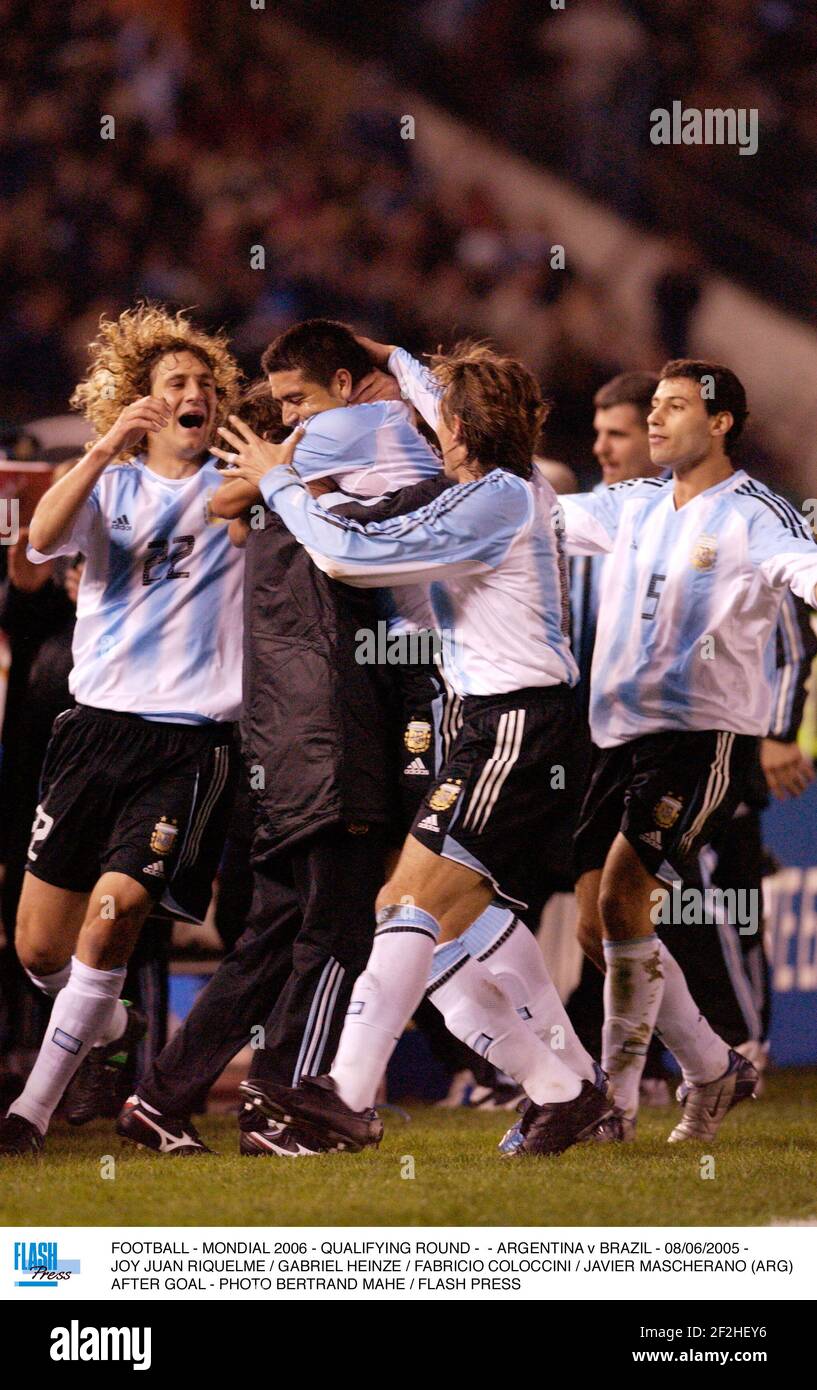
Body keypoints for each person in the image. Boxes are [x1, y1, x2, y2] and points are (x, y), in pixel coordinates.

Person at [217, 337, 613, 1158]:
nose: (431, 432)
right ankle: (561, 1089)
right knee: (436, 932)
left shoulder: (494, 500)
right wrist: (392, 354)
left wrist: (278, 480)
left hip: (513, 725)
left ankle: (348, 1096)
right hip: (492, 722)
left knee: (407, 911)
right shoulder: (506, 479)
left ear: (462, 432)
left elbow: (347, 554)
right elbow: (439, 398)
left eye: (444, 424)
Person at [116, 323, 445, 1158]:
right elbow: (448, 444)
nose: (312, 422)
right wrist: (385, 380)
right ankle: (281, 1102)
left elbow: (238, 504)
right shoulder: (327, 478)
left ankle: (160, 1096)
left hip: (281, 736)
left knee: (272, 936)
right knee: (334, 931)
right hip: (329, 732)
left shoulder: (281, 497)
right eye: (294, 410)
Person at [0, 305, 244, 1156]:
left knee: (116, 912)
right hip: (93, 734)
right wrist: (103, 447)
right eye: (175, 383)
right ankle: (103, 1028)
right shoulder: (107, 482)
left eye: (206, 384)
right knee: (36, 946)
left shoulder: (235, 489)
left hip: (189, 742)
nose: (195, 395)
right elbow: (36, 542)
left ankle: (28, 1112)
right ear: (141, 399)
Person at [561, 359, 817, 1142]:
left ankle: (615, 1101)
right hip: (614, 738)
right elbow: (530, 515)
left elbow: (799, 572)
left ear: (720, 423)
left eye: (673, 407)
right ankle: (710, 1066)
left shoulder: (755, 514)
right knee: (593, 926)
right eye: (655, 407)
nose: (654, 420)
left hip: (699, 740)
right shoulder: (628, 504)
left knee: (619, 899)